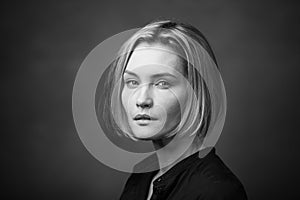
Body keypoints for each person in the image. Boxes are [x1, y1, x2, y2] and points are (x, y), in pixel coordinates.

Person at [102, 19, 248, 200]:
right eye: (132, 82)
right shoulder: (141, 177)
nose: (142, 100)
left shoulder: (217, 192)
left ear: (197, 91)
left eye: (162, 83)